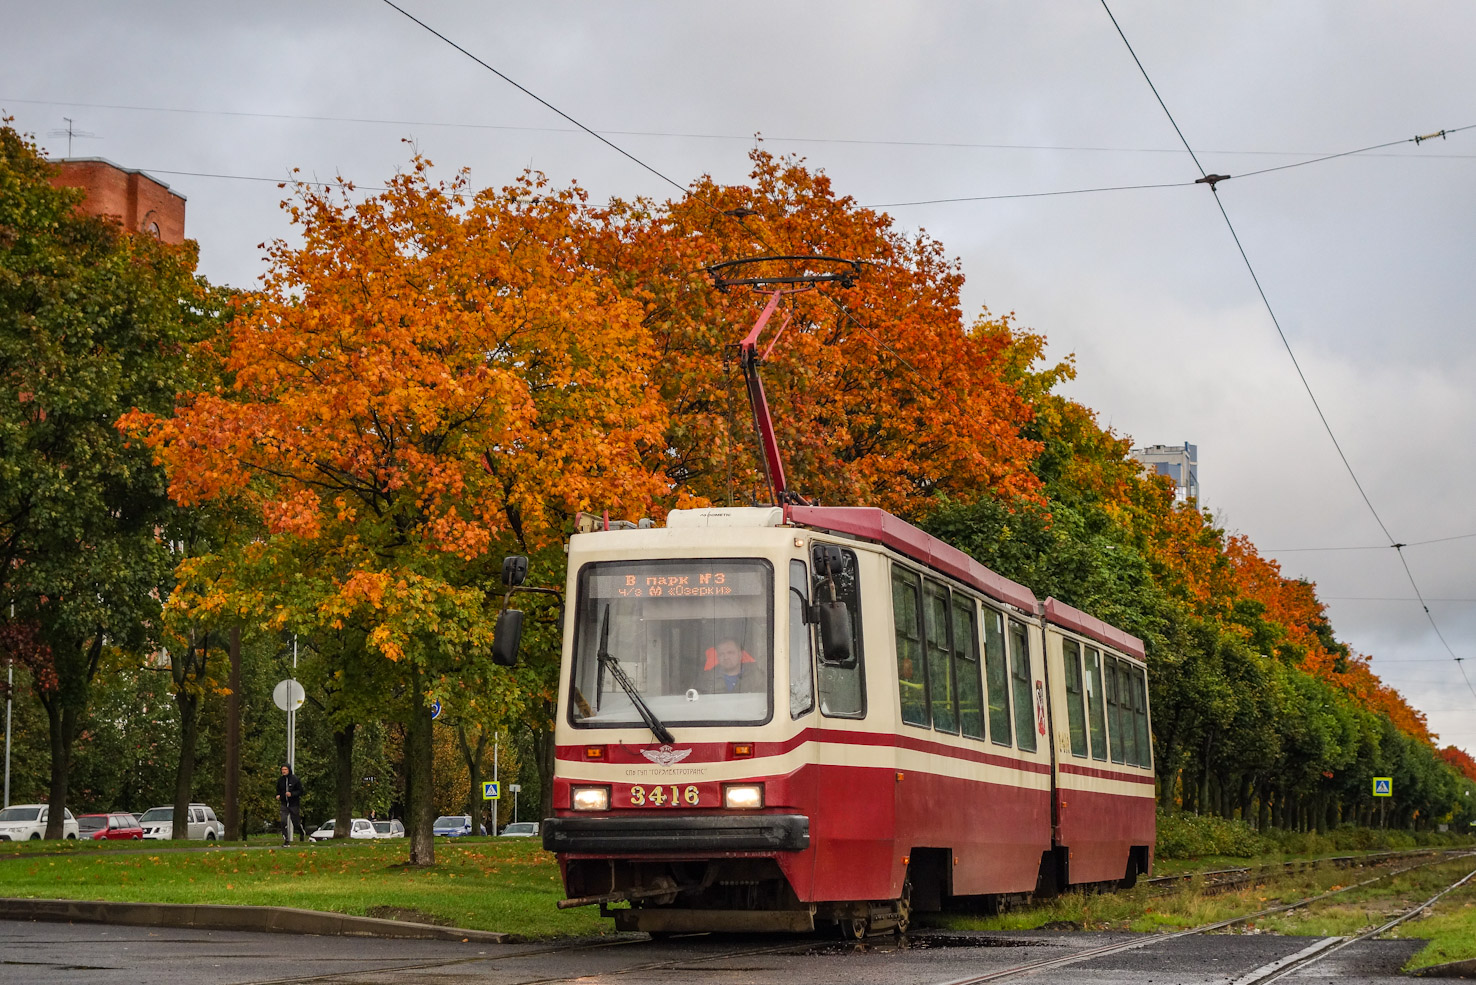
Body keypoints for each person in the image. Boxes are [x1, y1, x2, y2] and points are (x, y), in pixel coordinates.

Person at [276, 764, 304, 845]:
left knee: (295, 822)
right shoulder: (280, 780)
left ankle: (301, 832)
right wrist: (278, 795)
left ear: (289, 770)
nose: (284, 771)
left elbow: (300, 791)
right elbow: (278, 790)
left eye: (285, 769)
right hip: (284, 804)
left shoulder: (295, 779)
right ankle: (286, 839)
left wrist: (292, 794)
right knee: (283, 821)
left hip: (293, 804)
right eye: (282, 769)